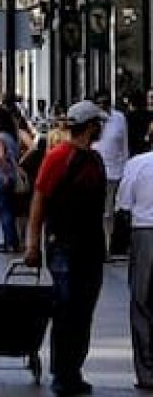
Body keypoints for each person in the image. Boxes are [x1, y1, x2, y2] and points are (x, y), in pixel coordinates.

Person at [25, 100, 108, 397]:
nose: (102, 128)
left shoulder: (95, 160)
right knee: (67, 310)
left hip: (91, 247)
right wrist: (32, 243)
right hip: (64, 246)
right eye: (99, 123)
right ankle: (62, 372)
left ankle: (73, 370)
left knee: (83, 311)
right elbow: (39, 200)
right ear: (90, 126)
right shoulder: (59, 157)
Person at [117, 140, 153, 390]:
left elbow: (124, 205)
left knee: (142, 302)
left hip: (145, 234)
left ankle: (148, 371)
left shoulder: (137, 164)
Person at [93, 89, 129, 254]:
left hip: (114, 171)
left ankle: (107, 246)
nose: (103, 106)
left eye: (106, 103)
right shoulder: (92, 119)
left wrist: (126, 169)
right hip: (94, 171)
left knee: (109, 212)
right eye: (100, 103)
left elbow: (124, 146)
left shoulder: (119, 118)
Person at [0, 106, 21, 253]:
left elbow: (0, 156)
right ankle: (13, 239)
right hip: (11, 177)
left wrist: (4, 173)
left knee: (4, 210)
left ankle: (9, 242)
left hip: (1, 178)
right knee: (10, 210)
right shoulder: (11, 137)